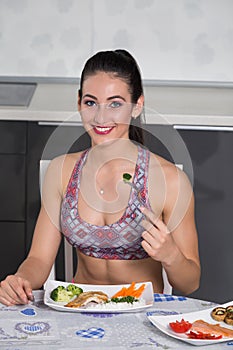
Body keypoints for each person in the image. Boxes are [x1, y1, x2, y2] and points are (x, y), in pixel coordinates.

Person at [0, 49, 200, 306]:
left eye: (115, 104)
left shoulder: (171, 181)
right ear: (79, 103)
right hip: (76, 310)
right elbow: (38, 259)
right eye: (91, 103)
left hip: (140, 317)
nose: (101, 117)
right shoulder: (61, 172)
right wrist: (19, 280)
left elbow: (190, 283)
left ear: (137, 105)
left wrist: (171, 255)